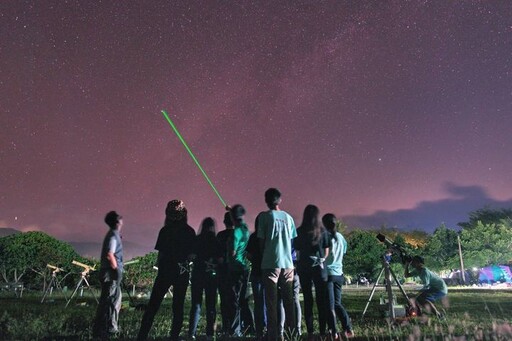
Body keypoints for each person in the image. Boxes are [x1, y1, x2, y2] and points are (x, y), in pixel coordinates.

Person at [137, 200, 196, 341]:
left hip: (165, 271)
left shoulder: (165, 231)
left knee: (153, 305)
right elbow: (192, 255)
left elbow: (161, 254)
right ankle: (174, 337)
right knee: (178, 307)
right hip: (182, 271)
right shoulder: (189, 231)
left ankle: (142, 336)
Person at [257, 188, 297, 341]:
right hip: (287, 263)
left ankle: (273, 336)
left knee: (271, 302)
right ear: (280, 200)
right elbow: (292, 241)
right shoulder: (289, 218)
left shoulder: (264, 217)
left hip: (270, 262)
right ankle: (291, 334)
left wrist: (264, 254)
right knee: (289, 301)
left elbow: (261, 241)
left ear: (266, 201)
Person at [294, 204, 331, 338]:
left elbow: (297, 250)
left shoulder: (299, 231)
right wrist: (320, 259)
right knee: (321, 300)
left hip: (304, 268)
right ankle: (322, 331)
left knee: (308, 300)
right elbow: (327, 251)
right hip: (320, 269)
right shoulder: (324, 232)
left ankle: (310, 331)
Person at [188, 217, 223, 340]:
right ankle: (209, 334)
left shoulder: (197, 240)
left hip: (198, 274)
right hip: (211, 276)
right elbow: (221, 260)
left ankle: (192, 333)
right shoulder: (216, 241)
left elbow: (191, 256)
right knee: (211, 305)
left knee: (196, 305)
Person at [93, 211, 124, 339]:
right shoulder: (113, 236)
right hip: (110, 274)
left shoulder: (114, 235)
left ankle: (109, 327)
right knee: (109, 302)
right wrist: (116, 269)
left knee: (114, 301)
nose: (122, 222)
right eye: (120, 220)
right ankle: (105, 329)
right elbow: (110, 254)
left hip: (109, 272)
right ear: (117, 222)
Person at [323, 213, 353, 339]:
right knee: (337, 303)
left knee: (330, 305)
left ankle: (336, 331)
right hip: (339, 273)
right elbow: (344, 251)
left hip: (328, 273)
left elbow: (323, 255)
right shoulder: (341, 237)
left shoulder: (326, 237)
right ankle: (346, 328)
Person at [227, 204, 254, 336]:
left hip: (235, 268)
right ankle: (250, 326)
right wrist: (231, 210)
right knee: (243, 299)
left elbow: (232, 252)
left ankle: (235, 330)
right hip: (244, 267)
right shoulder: (245, 228)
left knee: (234, 300)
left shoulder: (236, 232)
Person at [246, 216, 266, 340]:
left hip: (256, 272)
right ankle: (268, 327)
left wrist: (254, 259)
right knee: (268, 301)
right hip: (268, 272)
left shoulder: (253, 237)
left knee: (258, 303)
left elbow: (248, 254)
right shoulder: (269, 236)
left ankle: (259, 330)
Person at [216, 211, 235, 336]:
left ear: (224, 222)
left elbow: (216, 252)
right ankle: (234, 327)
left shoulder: (220, 235)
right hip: (235, 271)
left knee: (223, 298)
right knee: (234, 299)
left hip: (222, 270)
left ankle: (225, 325)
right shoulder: (238, 234)